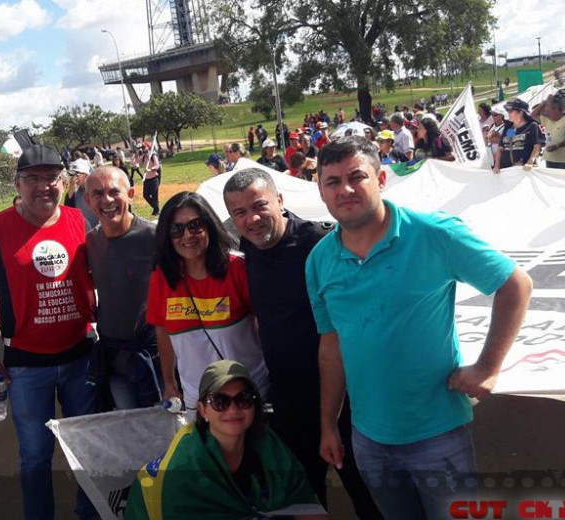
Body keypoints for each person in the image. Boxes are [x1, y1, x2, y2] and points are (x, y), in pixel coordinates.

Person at [307, 137, 532, 519]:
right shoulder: (319, 260)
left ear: (381, 178)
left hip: (438, 436)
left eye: (355, 176)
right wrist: (329, 425)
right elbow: (332, 346)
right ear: (321, 191)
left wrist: (488, 367)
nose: (344, 189)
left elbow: (515, 284)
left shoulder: (433, 233)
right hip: (368, 440)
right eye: (332, 181)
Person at [223, 169, 381, 519]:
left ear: (280, 201)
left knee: (365, 489)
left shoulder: (320, 243)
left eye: (259, 205)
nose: (251, 218)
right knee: (303, 496)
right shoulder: (245, 248)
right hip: (289, 401)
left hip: (344, 397)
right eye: (239, 213)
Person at [0, 144, 99, 520]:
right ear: (18, 184)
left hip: (79, 357)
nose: (44, 187)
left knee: (84, 449)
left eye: (52, 178)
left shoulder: (78, 220)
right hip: (26, 366)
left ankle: (89, 512)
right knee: (36, 455)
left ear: (64, 181)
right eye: (33, 179)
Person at [125, 360, 328, 520]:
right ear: (203, 410)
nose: (233, 410)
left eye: (244, 399)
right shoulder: (182, 470)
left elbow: (302, 498)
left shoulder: (266, 444)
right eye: (220, 401)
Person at [146, 191, 270, 408]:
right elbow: (162, 331)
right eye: (177, 229)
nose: (187, 236)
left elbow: (264, 324)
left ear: (210, 226)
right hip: (199, 399)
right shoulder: (162, 278)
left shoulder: (237, 268)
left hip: (248, 393)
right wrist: (168, 382)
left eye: (195, 225)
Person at [84, 166, 162, 409]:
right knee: (128, 425)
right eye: (97, 194)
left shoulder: (154, 237)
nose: (106, 200)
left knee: (163, 428)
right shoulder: (92, 240)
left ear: (130, 193)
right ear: (87, 200)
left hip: (152, 356)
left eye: (114, 191)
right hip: (114, 356)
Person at [493, 99, 544, 173]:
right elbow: (500, 148)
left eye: (510, 111)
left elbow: (537, 146)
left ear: (520, 112)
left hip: (524, 171)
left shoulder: (532, 126)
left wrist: (530, 162)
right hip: (506, 171)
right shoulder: (508, 128)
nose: (508, 114)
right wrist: (496, 166)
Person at [533, 95, 565, 169]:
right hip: (549, 159)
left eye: (548, 111)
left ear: (556, 110)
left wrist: (557, 146)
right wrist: (544, 102)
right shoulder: (548, 120)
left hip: (563, 160)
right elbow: (533, 114)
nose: (546, 114)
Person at [64, 159, 99, 228]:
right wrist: (71, 189)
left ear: (86, 175)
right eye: (72, 175)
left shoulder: (96, 189)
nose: (74, 177)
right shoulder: (76, 191)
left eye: (77, 174)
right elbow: (68, 210)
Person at [143, 150, 161, 216]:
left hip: (154, 179)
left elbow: (157, 166)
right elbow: (135, 162)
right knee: (145, 195)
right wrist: (136, 154)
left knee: (154, 196)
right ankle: (156, 208)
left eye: (144, 148)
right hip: (147, 179)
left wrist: (150, 169)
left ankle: (156, 211)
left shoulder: (153, 156)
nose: (143, 149)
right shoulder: (143, 157)